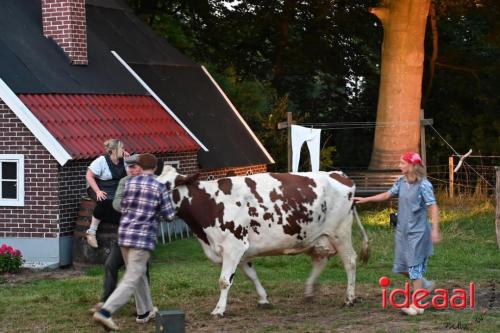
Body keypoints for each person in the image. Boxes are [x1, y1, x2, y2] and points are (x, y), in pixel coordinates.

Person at [92, 154, 176, 330]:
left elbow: (124, 205)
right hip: (141, 238)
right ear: (155, 168)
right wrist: (158, 210)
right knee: (132, 277)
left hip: (124, 235)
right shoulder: (160, 187)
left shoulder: (129, 182)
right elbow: (169, 216)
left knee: (138, 273)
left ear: (140, 166)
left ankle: (145, 311)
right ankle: (105, 312)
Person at [354, 152, 441, 316]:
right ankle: (426, 285)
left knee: (414, 268)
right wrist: (365, 200)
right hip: (402, 232)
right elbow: (387, 195)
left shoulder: (424, 185)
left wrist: (435, 230)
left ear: (411, 165)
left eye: (402, 163)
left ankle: (416, 306)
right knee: (401, 267)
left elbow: (433, 207)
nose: (399, 165)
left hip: (418, 233)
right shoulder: (400, 182)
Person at [89, 154, 144, 314]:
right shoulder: (124, 183)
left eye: (133, 167)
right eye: (128, 167)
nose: (130, 170)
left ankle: (142, 306)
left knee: (139, 270)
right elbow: (117, 204)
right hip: (124, 234)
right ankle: (106, 302)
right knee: (110, 265)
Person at [85, 139, 128, 248]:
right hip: (100, 187)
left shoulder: (125, 160)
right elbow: (89, 176)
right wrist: (97, 191)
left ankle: (124, 232)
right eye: (121, 148)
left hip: (117, 188)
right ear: (113, 150)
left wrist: (129, 161)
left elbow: (129, 176)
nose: (124, 150)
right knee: (105, 200)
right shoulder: (101, 161)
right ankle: (91, 232)